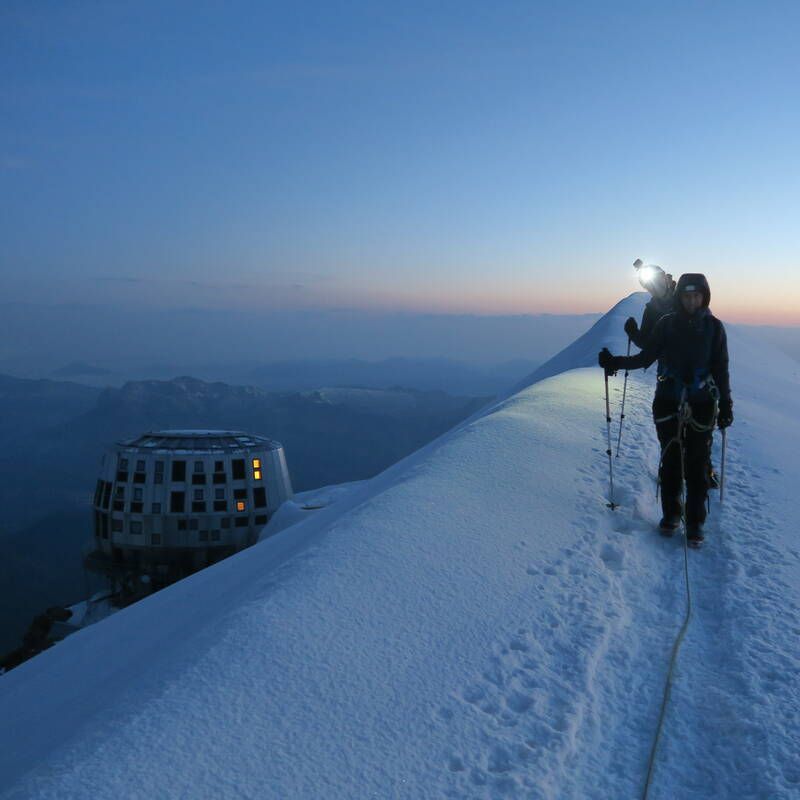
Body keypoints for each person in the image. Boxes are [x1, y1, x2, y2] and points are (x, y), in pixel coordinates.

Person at [598, 274, 733, 545]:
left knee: (696, 464)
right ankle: (671, 515)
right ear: (679, 297)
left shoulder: (715, 328)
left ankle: (694, 523)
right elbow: (646, 357)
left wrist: (726, 405)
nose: (691, 301)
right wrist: (615, 362)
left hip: (701, 404)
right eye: (686, 295)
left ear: (704, 297)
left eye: (696, 296)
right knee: (671, 459)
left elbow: (720, 368)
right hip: (670, 401)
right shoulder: (666, 324)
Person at [625, 266, 676, 348]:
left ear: (666, 280)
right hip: (666, 359)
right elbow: (646, 343)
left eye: (659, 282)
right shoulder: (651, 310)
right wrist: (633, 333)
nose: (656, 288)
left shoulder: (684, 298)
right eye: (650, 287)